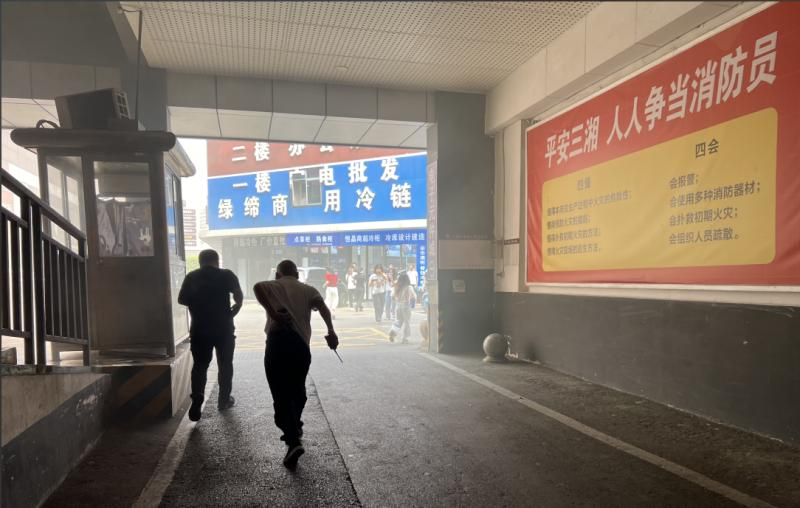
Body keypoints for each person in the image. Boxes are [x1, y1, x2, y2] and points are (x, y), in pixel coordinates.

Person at [253, 260, 339, 469]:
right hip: (300, 346)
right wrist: (331, 331)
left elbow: (257, 287)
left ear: (278, 274)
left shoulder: (273, 285)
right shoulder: (308, 289)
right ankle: (295, 425)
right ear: (297, 275)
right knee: (298, 390)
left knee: (280, 393)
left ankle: (293, 440)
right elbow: (323, 308)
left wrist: (273, 314)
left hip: (276, 344)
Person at [178, 249, 243, 422]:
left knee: (200, 365)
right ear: (217, 260)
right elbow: (238, 295)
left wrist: (198, 301)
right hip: (224, 329)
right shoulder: (226, 275)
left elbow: (181, 299)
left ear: (200, 262)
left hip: (200, 329)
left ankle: (198, 396)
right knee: (225, 364)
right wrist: (235, 309)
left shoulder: (192, 276)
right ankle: (224, 400)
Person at [389, 271, 414, 344]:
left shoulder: (397, 287)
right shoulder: (409, 287)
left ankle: (393, 330)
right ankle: (405, 338)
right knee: (407, 322)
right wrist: (412, 304)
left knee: (398, 320)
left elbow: (392, 297)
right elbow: (413, 297)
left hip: (398, 305)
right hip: (406, 305)